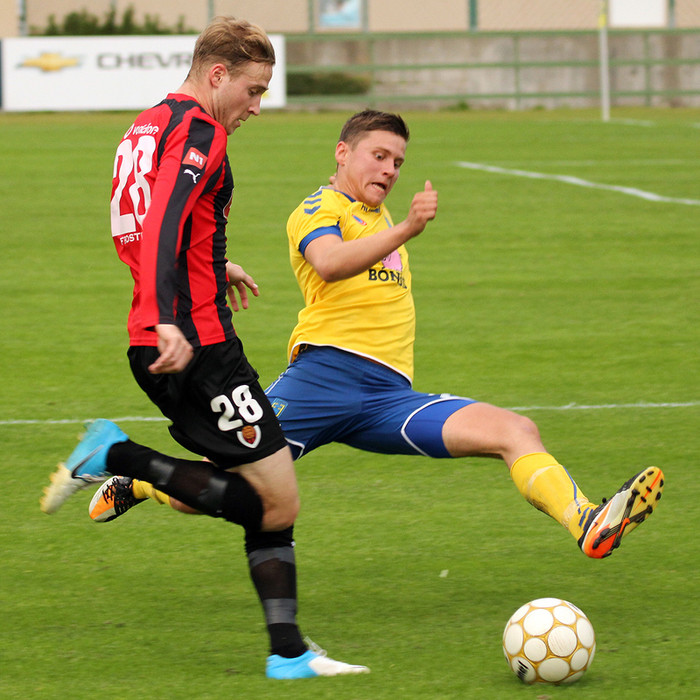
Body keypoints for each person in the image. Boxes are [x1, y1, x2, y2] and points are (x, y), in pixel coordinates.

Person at [88, 110, 664, 564]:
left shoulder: (379, 219)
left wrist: (397, 226)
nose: (389, 170)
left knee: (516, 430)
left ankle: (586, 521)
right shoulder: (319, 207)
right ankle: (140, 482)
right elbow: (330, 261)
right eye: (378, 156)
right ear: (343, 153)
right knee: (231, 490)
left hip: (388, 397)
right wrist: (409, 227)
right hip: (321, 382)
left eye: (398, 162)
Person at [39, 17, 369, 680]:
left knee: (265, 499)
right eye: (253, 90)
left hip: (160, 337)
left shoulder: (146, 125)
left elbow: (139, 229)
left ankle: (287, 654)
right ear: (218, 75)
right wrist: (170, 315)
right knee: (276, 502)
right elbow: (163, 220)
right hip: (196, 346)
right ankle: (116, 455)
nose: (256, 107)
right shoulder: (200, 130)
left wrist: (213, 268)